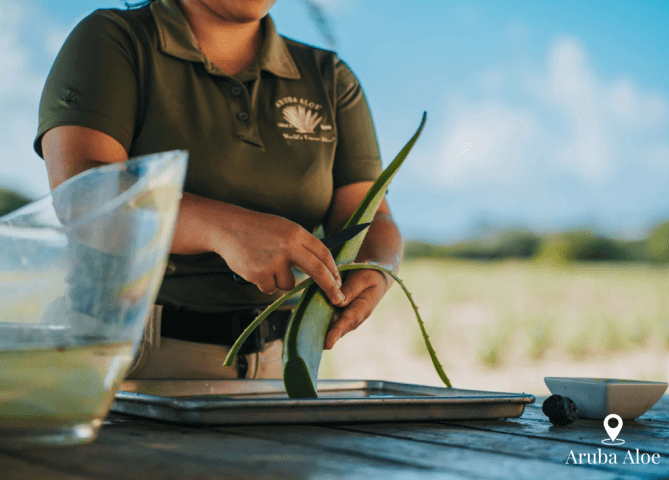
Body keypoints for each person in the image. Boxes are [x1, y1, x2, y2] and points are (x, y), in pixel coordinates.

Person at [35, 0, 403, 379]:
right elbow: (80, 194)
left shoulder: (330, 79)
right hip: (125, 359)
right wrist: (222, 228)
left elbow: (371, 217)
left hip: (280, 367)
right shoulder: (114, 40)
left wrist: (377, 268)